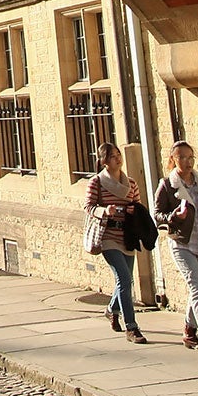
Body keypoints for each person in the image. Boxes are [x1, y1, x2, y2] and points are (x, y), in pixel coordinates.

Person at [154, 140, 198, 361]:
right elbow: (157, 215)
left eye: (190, 157)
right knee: (197, 288)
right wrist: (174, 217)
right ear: (173, 160)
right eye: (182, 157)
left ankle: (188, 331)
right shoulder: (167, 185)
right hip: (182, 244)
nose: (187, 161)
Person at [84, 142, 145, 344]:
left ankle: (111, 309)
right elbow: (89, 206)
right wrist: (104, 211)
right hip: (108, 236)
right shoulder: (97, 183)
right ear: (103, 161)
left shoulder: (131, 183)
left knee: (126, 281)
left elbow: (137, 207)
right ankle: (132, 327)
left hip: (126, 236)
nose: (118, 159)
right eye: (112, 156)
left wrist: (132, 211)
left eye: (119, 155)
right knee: (124, 280)